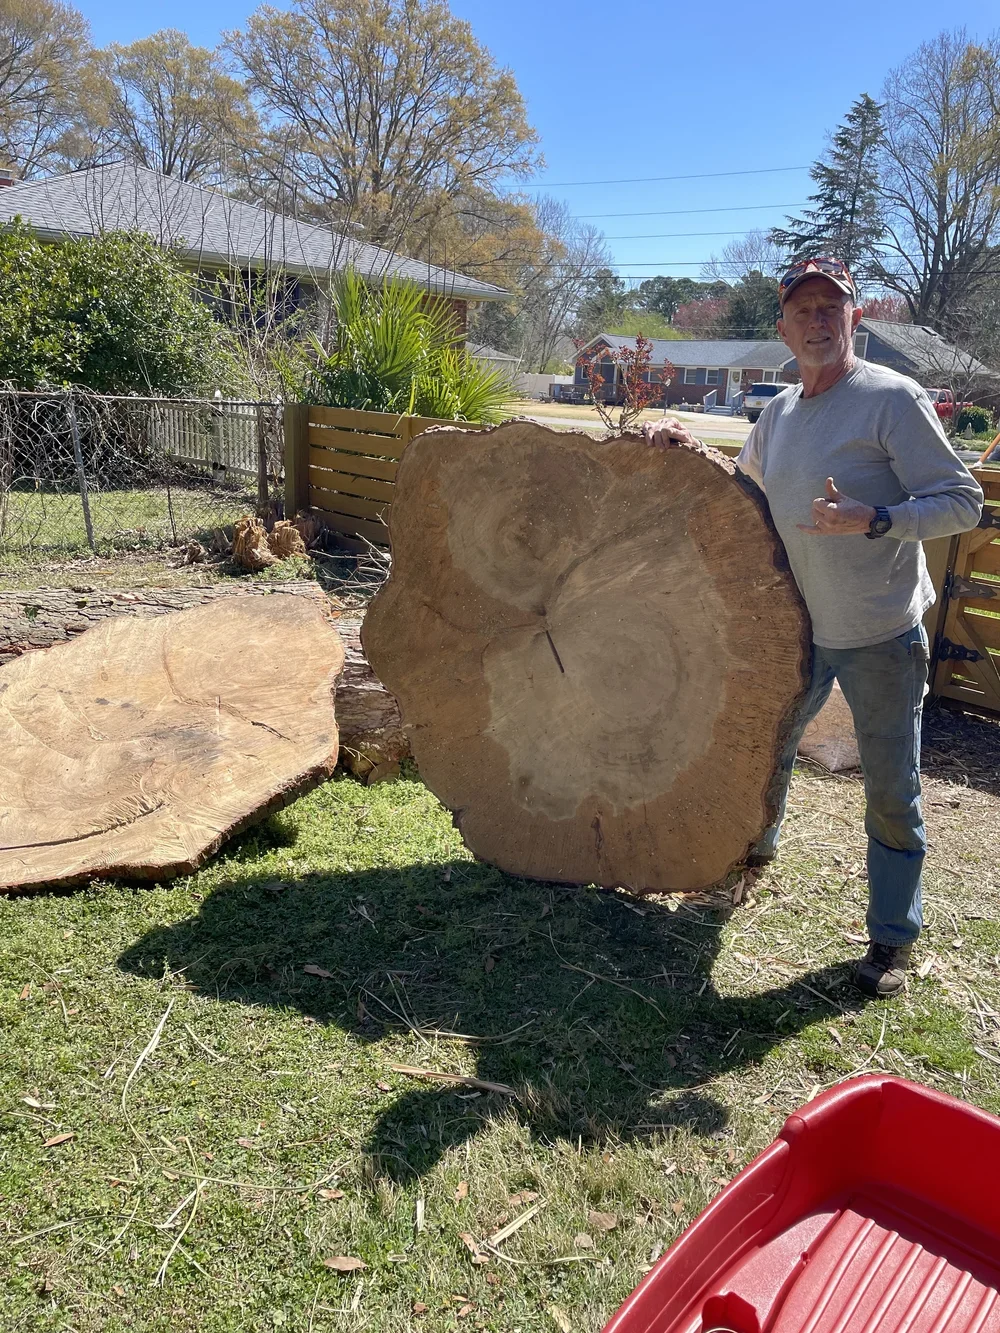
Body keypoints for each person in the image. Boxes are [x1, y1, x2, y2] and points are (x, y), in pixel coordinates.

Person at [644, 256, 983, 998]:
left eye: (833, 307)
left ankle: (893, 938)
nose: (819, 320)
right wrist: (685, 448)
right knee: (762, 756)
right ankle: (742, 871)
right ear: (783, 328)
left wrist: (879, 519)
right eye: (804, 310)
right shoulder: (780, 413)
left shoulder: (892, 399)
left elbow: (963, 502)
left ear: (855, 318)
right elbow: (744, 492)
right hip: (797, 634)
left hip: (882, 636)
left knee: (892, 787)